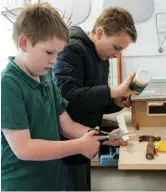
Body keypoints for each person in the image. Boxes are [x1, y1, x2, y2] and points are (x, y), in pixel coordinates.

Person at [1, 3, 109, 191]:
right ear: (24, 43)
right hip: (21, 185)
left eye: (58, 54)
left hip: (51, 182)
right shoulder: (8, 85)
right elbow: (24, 148)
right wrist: (78, 146)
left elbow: (66, 125)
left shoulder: (46, 79)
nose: (54, 60)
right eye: (49, 52)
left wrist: (102, 137)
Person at [50, 7, 138, 191]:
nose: (116, 55)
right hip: (66, 146)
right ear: (100, 33)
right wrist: (112, 92)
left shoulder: (101, 57)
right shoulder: (71, 49)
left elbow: (92, 101)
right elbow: (67, 98)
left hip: (85, 141)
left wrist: (115, 102)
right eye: (116, 47)